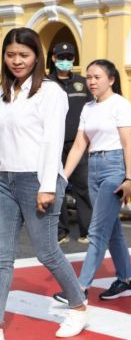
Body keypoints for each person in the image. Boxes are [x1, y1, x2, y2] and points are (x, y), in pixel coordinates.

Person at [0, 27, 88, 338]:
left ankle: (78, 306)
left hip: (38, 178)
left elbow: (52, 141)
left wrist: (48, 185)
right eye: (10, 55)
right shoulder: (4, 92)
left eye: (23, 55)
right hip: (4, 180)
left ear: (37, 56)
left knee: (47, 251)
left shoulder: (51, 92)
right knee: (1, 256)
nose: (16, 61)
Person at [54, 59, 131, 302]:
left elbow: (126, 144)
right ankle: (125, 279)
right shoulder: (88, 108)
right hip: (93, 166)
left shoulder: (120, 104)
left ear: (111, 79)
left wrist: (129, 177)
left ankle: (80, 289)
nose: (91, 81)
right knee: (113, 231)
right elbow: (80, 144)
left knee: (97, 229)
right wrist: (62, 177)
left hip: (114, 167)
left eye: (97, 77)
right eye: (88, 76)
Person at [48, 42, 93, 245]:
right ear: (54, 58)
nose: (66, 61)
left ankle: (87, 231)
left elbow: (93, 109)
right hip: (53, 144)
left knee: (82, 188)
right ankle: (60, 232)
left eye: (69, 57)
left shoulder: (83, 84)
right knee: (56, 185)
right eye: (62, 57)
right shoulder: (45, 83)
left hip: (80, 144)